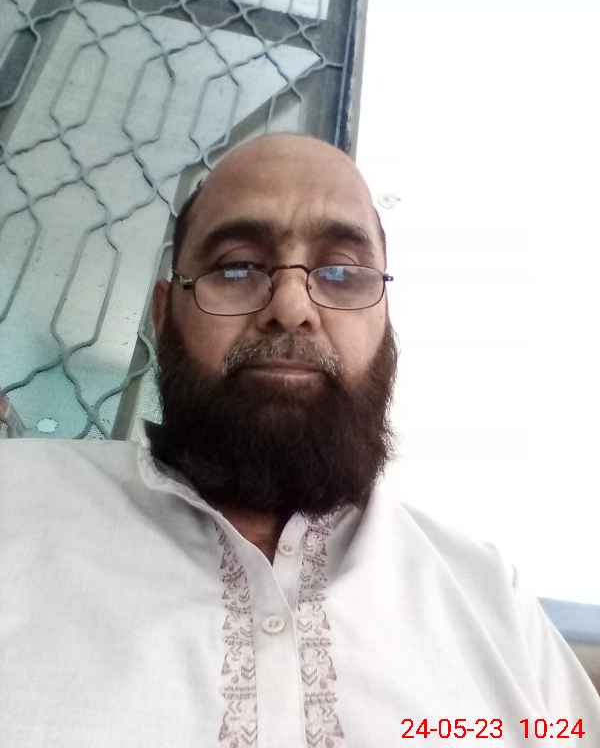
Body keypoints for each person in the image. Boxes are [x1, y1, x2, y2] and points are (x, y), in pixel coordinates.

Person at [0, 134, 598, 747]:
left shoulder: (490, 599)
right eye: (236, 267)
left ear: (384, 317)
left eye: (340, 273)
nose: (290, 307)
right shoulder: (15, 506)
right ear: (163, 314)